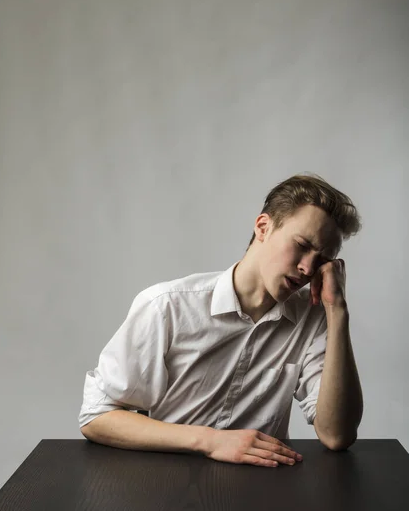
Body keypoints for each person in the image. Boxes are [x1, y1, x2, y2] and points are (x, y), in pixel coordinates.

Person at [79, 173, 364, 468]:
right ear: (263, 227)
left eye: (321, 260)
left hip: (266, 490)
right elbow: (96, 416)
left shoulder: (314, 316)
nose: (307, 268)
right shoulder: (168, 307)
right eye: (302, 245)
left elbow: (336, 435)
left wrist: (338, 310)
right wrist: (211, 441)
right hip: (167, 483)